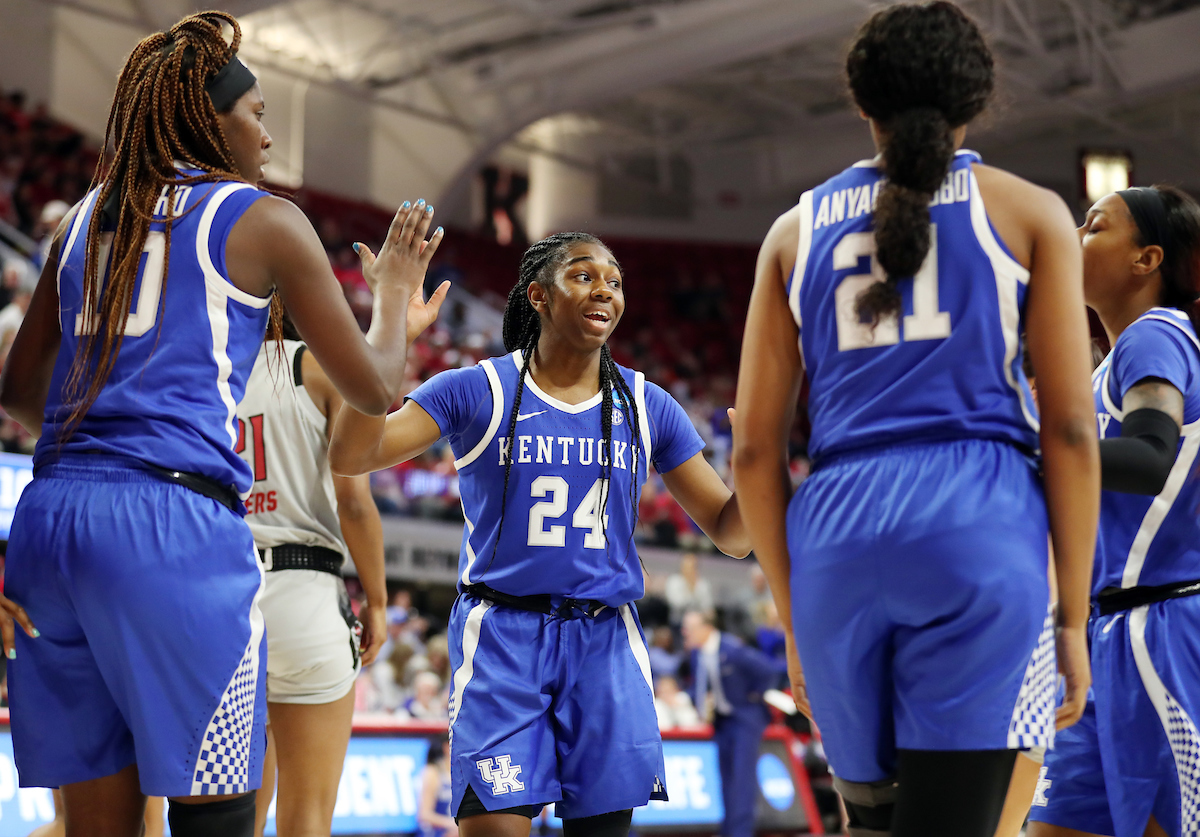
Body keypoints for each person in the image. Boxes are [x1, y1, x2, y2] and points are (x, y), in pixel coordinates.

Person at [0, 11, 441, 836]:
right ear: (212, 120)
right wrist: (391, 300)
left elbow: (20, 394)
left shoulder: (81, 219)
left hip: (51, 521)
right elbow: (378, 388)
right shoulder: (262, 218)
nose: (267, 138)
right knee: (223, 815)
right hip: (170, 525)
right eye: (259, 114)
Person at [732, 4, 1100, 837]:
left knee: (873, 826)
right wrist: (1071, 618)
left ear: (863, 103)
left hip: (834, 532)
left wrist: (794, 616)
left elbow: (755, 449)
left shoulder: (791, 234)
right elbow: (1072, 431)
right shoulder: (1030, 212)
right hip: (976, 519)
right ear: (976, 99)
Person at [329, 231, 752, 837]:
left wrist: (755, 469)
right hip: (504, 639)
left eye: (614, 279)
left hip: (604, 643)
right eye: (583, 275)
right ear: (539, 296)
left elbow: (732, 534)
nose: (604, 288)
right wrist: (390, 316)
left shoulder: (646, 403)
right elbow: (351, 452)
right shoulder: (477, 388)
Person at [1026, 186, 1200, 837]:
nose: (1074, 235)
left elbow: (1150, 453)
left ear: (1146, 259)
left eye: (1095, 226)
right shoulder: (1107, 365)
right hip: (1102, 633)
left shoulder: (1154, 334)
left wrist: (1027, 451)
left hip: (1158, 629)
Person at [237, 326, 390, 837]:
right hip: (304, 592)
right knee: (306, 818)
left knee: (233, 817)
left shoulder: (203, 361)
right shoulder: (317, 366)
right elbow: (353, 502)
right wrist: (378, 601)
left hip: (223, 594)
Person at [681, 609, 778, 837]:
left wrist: (753, 695)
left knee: (742, 779)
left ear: (706, 628)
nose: (685, 633)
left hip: (745, 720)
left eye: (690, 628)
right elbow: (698, 686)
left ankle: (741, 832)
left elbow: (768, 671)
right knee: (726, 778)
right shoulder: (697, 655)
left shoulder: (733, 649)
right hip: (722, 722)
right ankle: (729, 830)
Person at [419, 736, 458, 837]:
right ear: (447, 747)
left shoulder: (463, 771)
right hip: (438, 833)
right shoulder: (433, 772)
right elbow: (425, 815)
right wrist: (453, 825)